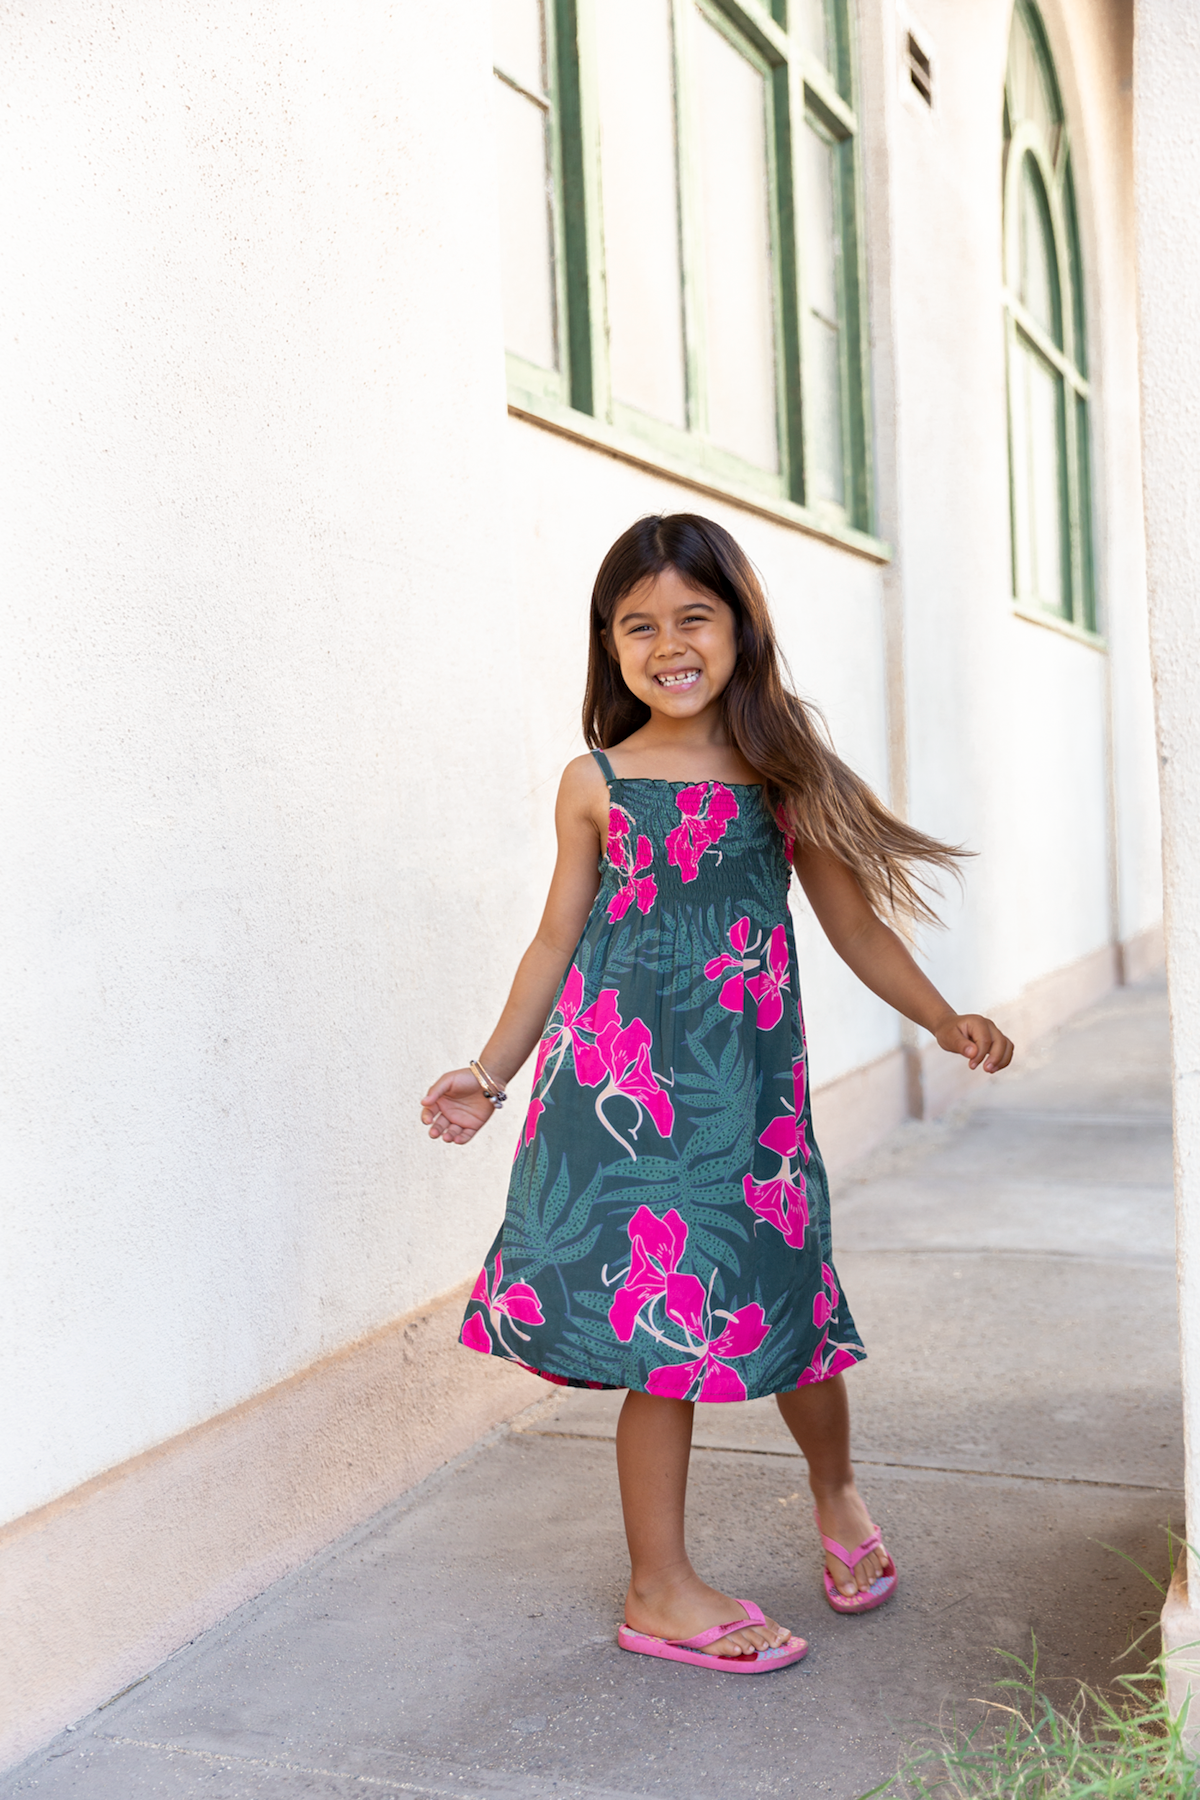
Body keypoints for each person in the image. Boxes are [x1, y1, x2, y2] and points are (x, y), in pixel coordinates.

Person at [420, 513, 1013, 1674]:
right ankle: (660, 1587)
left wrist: (942, 1017)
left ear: (741, 627)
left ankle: (835, 1493)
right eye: (637, 625)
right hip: (616, 1096)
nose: (668, 643)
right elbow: (554, 940)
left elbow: (850, 922)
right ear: (611, 645)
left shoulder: (784, 775)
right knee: (659, 1332)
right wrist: (489, 1074)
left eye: (693, 616)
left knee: (790, 1309)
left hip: (748, 1101)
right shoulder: (594, 783)